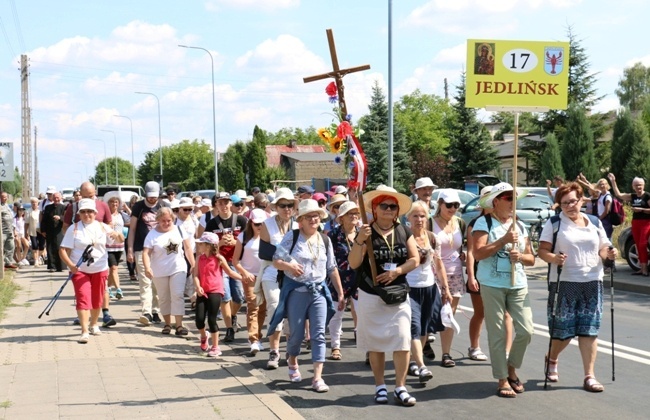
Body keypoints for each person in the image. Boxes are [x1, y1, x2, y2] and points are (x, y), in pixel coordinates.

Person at [537, 182, 616, 393]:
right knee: (563, 332)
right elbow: (542, 251)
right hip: (564, 282)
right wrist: (554, 257)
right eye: (565, 203)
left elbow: (603, 247)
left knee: (589, 330)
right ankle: (552, 358)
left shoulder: (594, 222)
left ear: (581, 199)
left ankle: (589, 376)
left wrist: (608, 254)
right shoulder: (554, 224)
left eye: (573, 201)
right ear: (559, 205)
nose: (570, 206)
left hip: (592, 281)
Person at [348, 185, 419, 406]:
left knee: (402, 340)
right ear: (375, 209)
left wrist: (397, 271)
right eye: (384, 205)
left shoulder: (403, 231)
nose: (389, 209)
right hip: (371, 294)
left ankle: (400, 386)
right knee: (376, 343)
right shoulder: (366, 231)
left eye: (393, 206)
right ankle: (380, 386)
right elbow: (353, 263)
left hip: (397, 293)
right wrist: (360, 239)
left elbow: (414, 259)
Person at [266, 199, 345, 393]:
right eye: (308, 216)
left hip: (318, 291)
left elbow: (332, 268)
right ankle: (292, 360)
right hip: (297, 292)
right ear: (300, 220)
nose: (313, 219)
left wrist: (341, 293)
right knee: (297, 334)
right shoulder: (292, 237)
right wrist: (289, 266)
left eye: (316, 216)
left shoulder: (324, 239)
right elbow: (276, 260)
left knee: (318, 334)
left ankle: (317, 378)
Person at [472, 182, 535, 398]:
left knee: (526, 330)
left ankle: (511, 368)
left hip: (518, 284)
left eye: (514, 197)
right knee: (497, 332)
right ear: (496, 201)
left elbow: (531, 259)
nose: (512, 202)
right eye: (508, 198)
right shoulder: (484, 222)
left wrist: (521, 257)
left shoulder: (521, 225)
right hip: (492, 284)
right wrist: (503, 240)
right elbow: (478, 254)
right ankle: (502, 379)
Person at [59, 199, 123, 343]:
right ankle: (84, 330)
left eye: (90, 211)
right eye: (83, 212)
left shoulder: (102, 226)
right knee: (83, 298)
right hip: (80, 270)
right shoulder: (74, 228)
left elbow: (119, 239)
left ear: (95, 213)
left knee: (97, 299)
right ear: (79, 214)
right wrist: (71, 265)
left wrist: (118, 235)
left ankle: (94, 324)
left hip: (100, 268)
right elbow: (62, 250)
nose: (87, 214)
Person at [405, 200, 451, 383]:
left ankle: (413, 361)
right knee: (414, 327)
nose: (419, 219)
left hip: (429, 288)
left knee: (424, 329)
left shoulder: (432, 238)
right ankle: (422, 366)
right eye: (415, 216)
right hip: (410, 288)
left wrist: (445, 288)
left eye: (422, 215)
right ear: (408, 218)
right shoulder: (404, 236)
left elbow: (439, 265)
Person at [465, 186, 512, 362]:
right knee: (481, 312)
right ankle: (474, 346)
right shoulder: (476, 224)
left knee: (506, 313)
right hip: (481, 271)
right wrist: (471, 276)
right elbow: (471, 251)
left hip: (502, 274)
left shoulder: (506, 221)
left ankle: (506, 352)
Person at [257, 187, 298, 369]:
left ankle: (290, 348)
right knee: (275, 307)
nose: (286, 209)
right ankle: (274, 351)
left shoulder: (298, 225)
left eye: (289, 205)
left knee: (292, 311)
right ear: (276, 207)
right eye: (282, 205)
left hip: (292, 274)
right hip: (272, 272)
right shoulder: (268, 224)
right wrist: (285, 258)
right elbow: (264, 252)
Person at [142, 207, 196, 336]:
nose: (166, 223)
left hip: (178, 267)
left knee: (177, 294)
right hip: (159, 270)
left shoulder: (179, 229)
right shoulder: (152, 234)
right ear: (158, 221)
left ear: (173, 219)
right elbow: (146, 252)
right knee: (164, 297)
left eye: (169, 220)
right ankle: (167, 323)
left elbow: (188, 248)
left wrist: (193, 265)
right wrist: (147, 267)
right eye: (163, 221)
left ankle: (179, 325)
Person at [203, 192, 248, 342]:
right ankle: (229, 329)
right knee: (225, 297)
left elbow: (251, 242)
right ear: (216, 205)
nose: (223, 206)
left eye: (226, 202)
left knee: (239, 297)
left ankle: (233, 316)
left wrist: (236, 243)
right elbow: (206, 248)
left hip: (237, 263)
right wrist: (220, 244)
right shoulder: (212, 224)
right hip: (220, 264)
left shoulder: (242, 221)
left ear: (231, 204)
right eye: (220, 203)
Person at [431, 189, 466, 368]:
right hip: (432, 274)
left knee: (449, 314)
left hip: (455, 273)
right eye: (449, 205)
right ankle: (423, 346)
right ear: (440, 204)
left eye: (456, 205)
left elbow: (463, 246)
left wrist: (464, 255)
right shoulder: (430, 223)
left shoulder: (459, 222)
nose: (452, 209)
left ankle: (446, 353)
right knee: (431, 313)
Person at [193, 232, 239, 357]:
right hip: (202, 291)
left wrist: (243, 277)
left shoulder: (219, 258)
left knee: (212, 319)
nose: (199, 246)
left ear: (208, 246)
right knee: (199, 320)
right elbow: (196, 275)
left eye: (201, 244)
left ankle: (215, 346)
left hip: (215, 291)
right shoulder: (199, 258)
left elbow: (230, 272)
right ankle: (204, 336)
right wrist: (198, 286)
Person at [326, 201, 361, 361]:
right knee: (337, 313)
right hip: (338, 278)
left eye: (356, 213)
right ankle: (335, 346)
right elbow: (329, 260)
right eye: (350, 213)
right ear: (341, 218)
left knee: (362, 313)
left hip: (359, 279)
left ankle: (368, 349)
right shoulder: (333, 235)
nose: (354, 216)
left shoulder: (362, 234)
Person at [127, 181, 164, 325]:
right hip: (141, 249)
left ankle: (156, 311)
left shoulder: (162, 206)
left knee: (157, 281)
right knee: (145, 281)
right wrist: (130, 249)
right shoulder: (138, 207)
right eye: (150, 197)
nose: (152, 199)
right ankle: (146, 312)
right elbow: (133, 229)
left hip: (159, 250)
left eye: (155, 197)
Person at [233, 209, 267, 355]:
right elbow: (235, 261)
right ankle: (253, 339)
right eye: (256, 224)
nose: (259, 226)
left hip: (266, 276)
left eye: (262, 224)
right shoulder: (243, 237)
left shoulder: (269, 236)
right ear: (251, 223)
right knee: (253, 306)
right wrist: (245, 273)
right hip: (250, 277)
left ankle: (258, 336)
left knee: (263, 308)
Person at [608, 172, 650, 275]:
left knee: (642, 244)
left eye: (640, 185)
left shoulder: (647, 196)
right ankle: (642, 267)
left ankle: (645, 269)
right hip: (636, 222)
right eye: (636, 185)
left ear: (643, 185)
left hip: (646, 222)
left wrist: (641, 209)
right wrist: (613, 181)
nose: (638, 187)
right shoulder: (633, 196)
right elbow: (619, 195)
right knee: (637, 244)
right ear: (633, 186)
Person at [41, 192, 67, 272]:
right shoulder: (48, 207)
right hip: (50, 231)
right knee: (50, 248)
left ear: (61, 198)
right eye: (55, 197)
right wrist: (43, 230)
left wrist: (60, 218)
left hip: (59, 231)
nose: (56, 199)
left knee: (59, 247)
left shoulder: (64, 207)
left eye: (58, 197)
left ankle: (60, 266)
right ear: (52, 198)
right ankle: (52, 266)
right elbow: (44, 220)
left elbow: (66, 219)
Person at [106, 196, 125, 300]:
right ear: (108, 204)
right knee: (114, 268)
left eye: (116, 202)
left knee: (112, 269)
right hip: (109, 246)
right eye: (112, 202)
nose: (114, 204)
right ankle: (119, 289)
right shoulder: (106, 215)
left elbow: (130, 221)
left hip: (119, 245)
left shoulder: (121, 215)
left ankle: (108, 288)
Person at [26, 197, 45, 266]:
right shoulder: (28, 211)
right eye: (32, 202)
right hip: (33, 230)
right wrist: (26, 232)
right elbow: (27, 223)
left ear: (38, 203)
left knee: (42, 246)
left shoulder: (41, 211)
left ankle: (39, 257)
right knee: (34, 245)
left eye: (35, 202)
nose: (34, 204)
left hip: (41, 230)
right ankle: (36, 260)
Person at [0, 191, 17, 270]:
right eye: (3, 197)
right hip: (2, 231)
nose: (5, 198)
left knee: (11, 246)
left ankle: (8, 262)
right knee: (1, 248)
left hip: (10, 230)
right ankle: (1, 265)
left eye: (6, 197)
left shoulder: (7, 205)